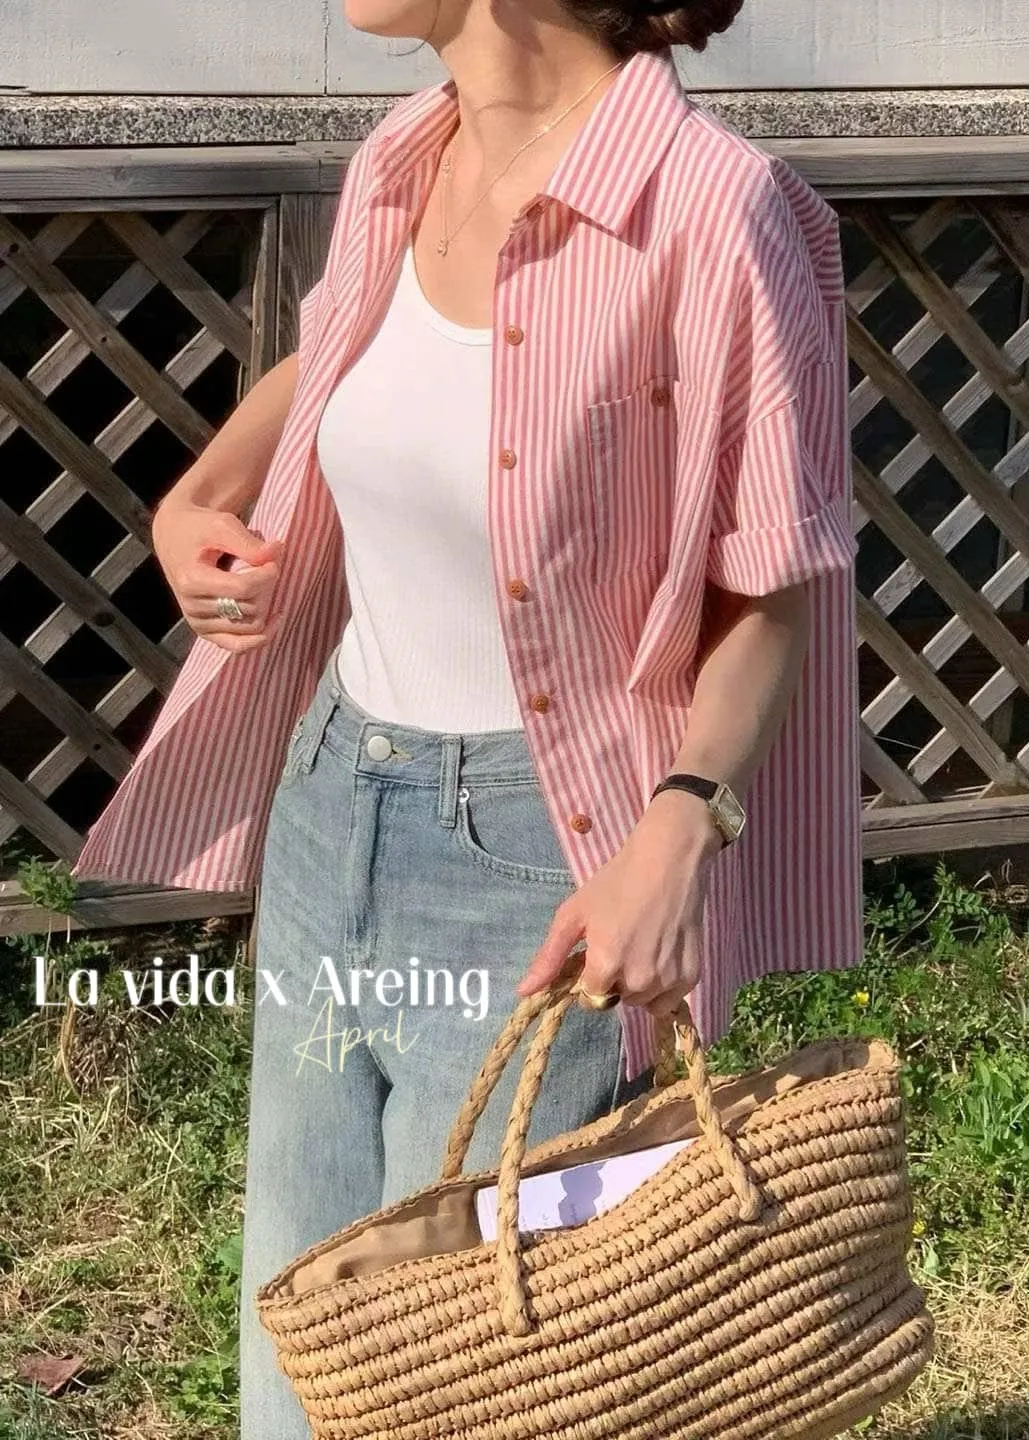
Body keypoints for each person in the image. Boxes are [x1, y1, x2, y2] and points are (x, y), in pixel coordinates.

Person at [72, 0, 864, 1431]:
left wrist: (680, 826)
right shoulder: (404, 153)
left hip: (538, 863)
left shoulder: (714, 210)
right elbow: (345, 347)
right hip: (332, 798)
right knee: (304, 1311)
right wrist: (197, 494)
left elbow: (773, 586)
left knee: (474, 1357)